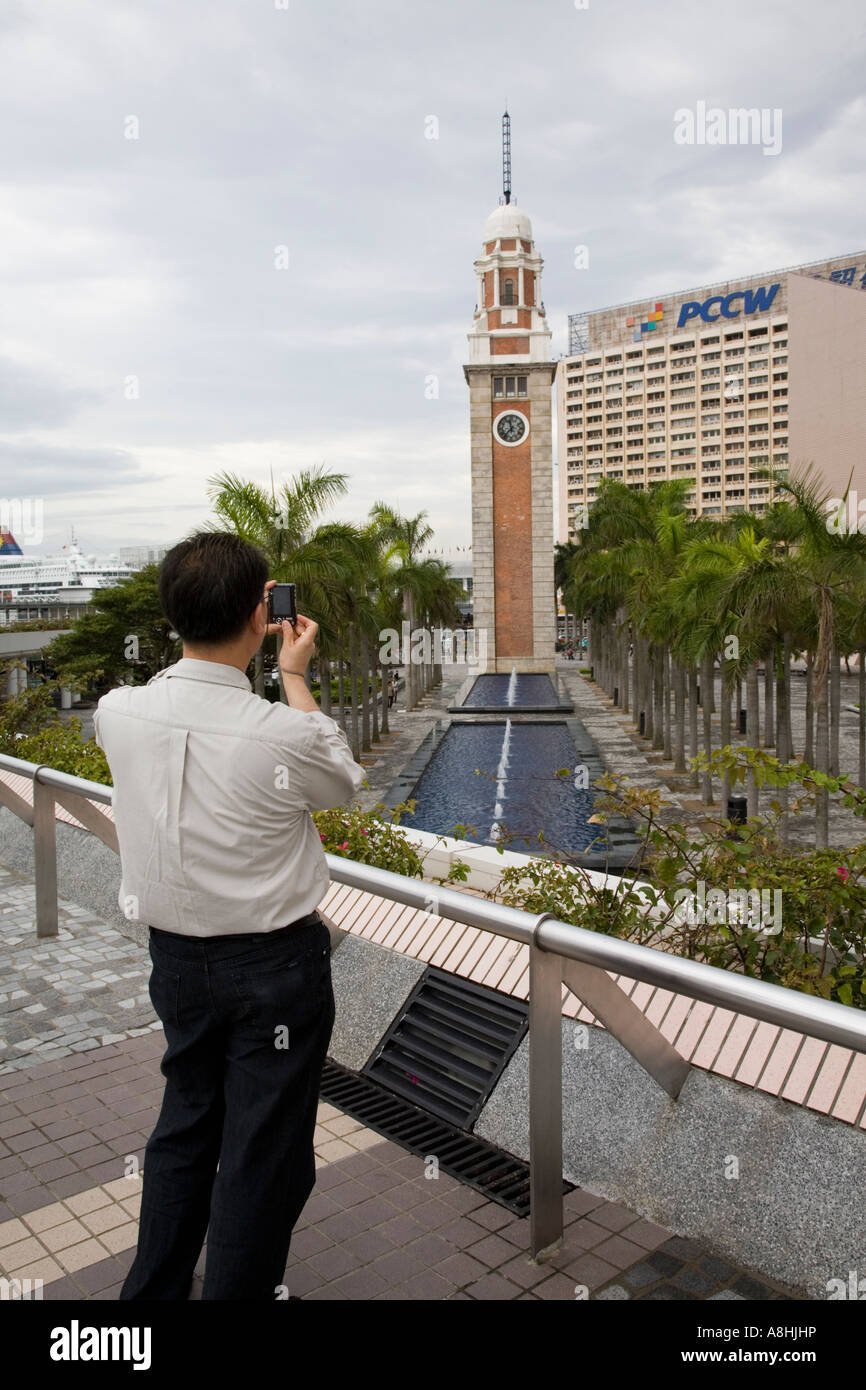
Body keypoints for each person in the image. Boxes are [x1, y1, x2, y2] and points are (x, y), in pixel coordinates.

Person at [93, 531, 364, 1301]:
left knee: (184, 1131)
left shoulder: (118, 712)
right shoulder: (277, 729)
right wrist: (293, 675)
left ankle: (147, 1303)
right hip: (275, 969)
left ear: (173, 616)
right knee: (264, 1154)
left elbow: (170, 698)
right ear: (261, 613)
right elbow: (341, 782)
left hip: (176, 963)